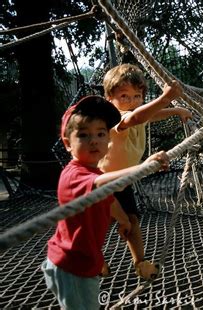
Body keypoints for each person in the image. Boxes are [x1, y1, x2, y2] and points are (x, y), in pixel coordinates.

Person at [42, 95, 170, 309]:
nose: (94, 140)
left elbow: (109, 201)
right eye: (83, 135)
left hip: (85, 263)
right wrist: (142, 167)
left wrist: (123, 221)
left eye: (101, 134)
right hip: (71, 267)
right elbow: (104, 185)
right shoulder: (74, 174)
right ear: (67, 143)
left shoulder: (93, 169)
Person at [100, 63, 192, 280]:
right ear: (109, 100)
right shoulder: (115, 119)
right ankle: (92, 257)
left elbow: (151, 115)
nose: (131, 102)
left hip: (124, 182)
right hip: (103, 184)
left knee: (132, 221)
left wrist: (176, 110)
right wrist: (165, 98)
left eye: (137, 96)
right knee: (103, 226)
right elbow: (137, 117)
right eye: (123, 96)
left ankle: (140, 262)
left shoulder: (140, 113)